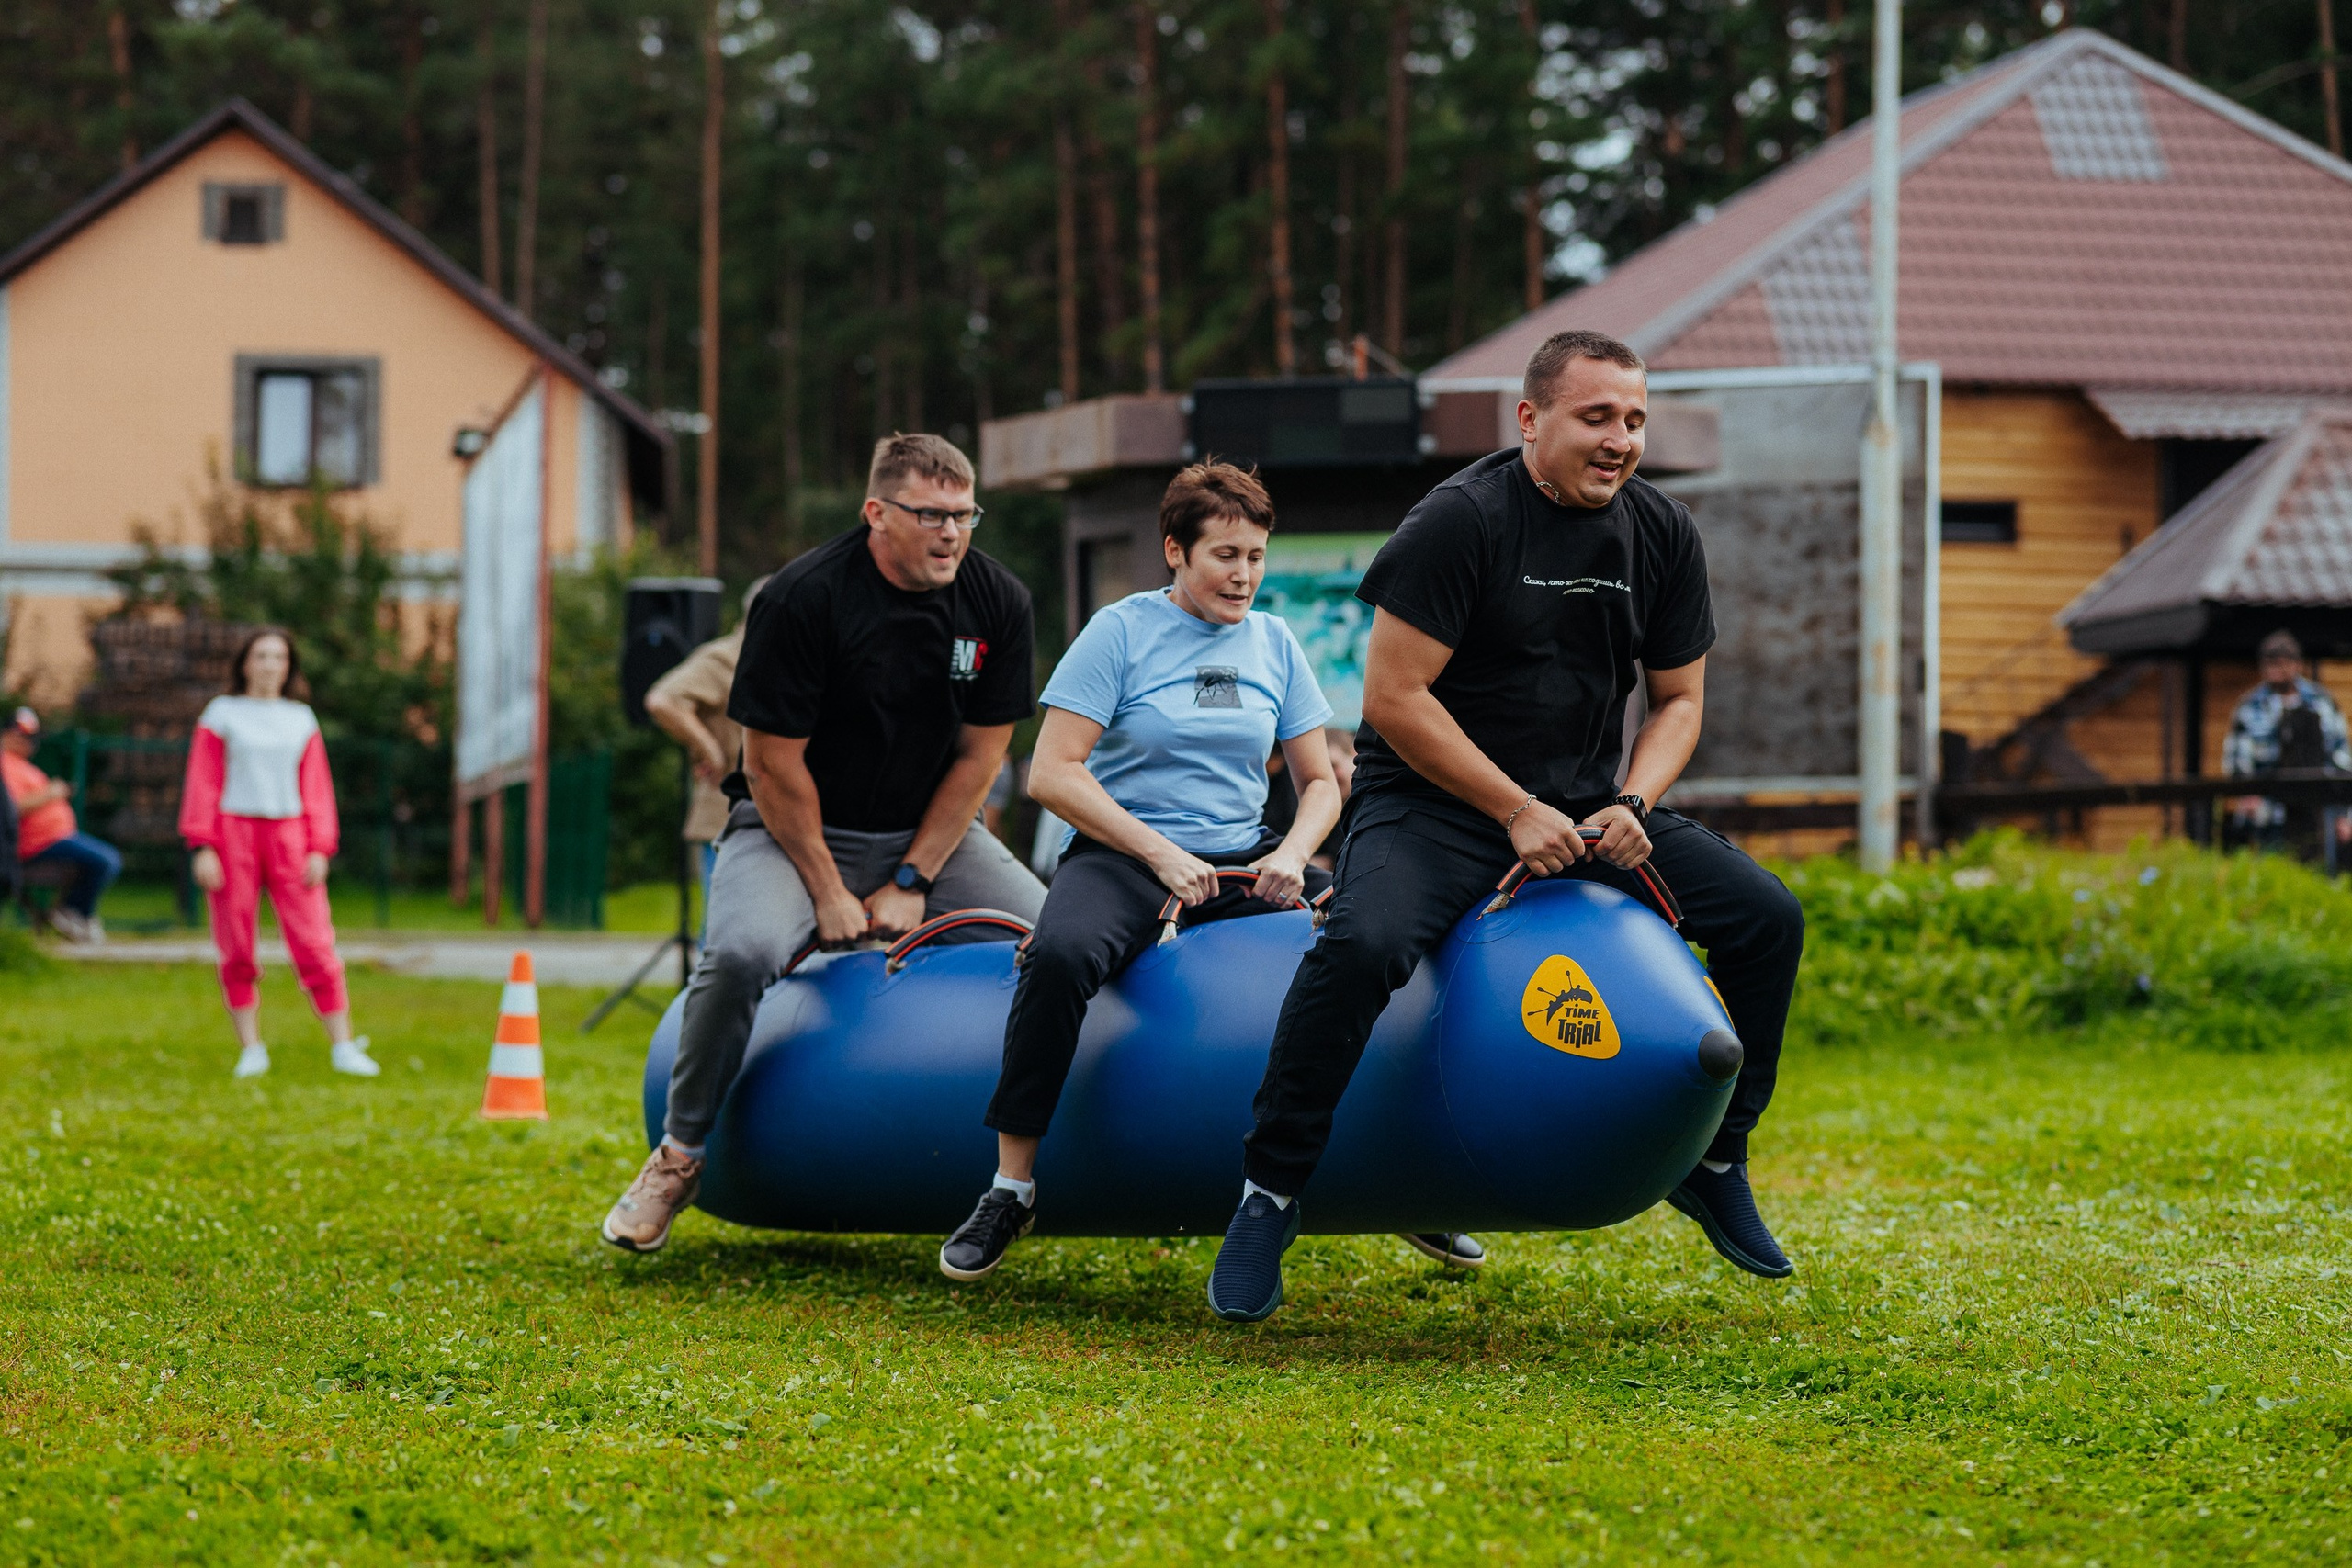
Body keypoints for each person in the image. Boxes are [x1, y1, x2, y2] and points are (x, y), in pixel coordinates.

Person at [1206, 329, 1808, 1324]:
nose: (1620, 439)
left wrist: (1632, 803)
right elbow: (1394, 700)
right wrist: (1511, 808)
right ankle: (1270, 1189)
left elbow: (1680, 703)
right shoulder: (1461, 520)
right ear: (1531, 420)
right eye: (1596, 417)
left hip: (1583, 807)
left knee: (1764, 918)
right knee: (1361, 945)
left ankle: (1715, 1158)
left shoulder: (1661, 533)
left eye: (1634, 418)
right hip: (1430, 805)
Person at [603, 434, 1048, 1253]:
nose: (951, 532)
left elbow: (984, 755)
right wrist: (830, 889)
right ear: (877, 512)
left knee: (1058, 940)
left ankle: (1029, 1166)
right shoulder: (802, 598)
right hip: (790, 832)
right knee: (737, 955)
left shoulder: (997, 601)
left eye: (964, 514)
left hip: (929, 836)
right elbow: (769, 768)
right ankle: (677, 1156)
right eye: (930, 515)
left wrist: (914, 875)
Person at [939, 461, 1354, 1281]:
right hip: (1127, 855)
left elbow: (1318, 782)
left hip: (1248, 861)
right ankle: (1011, 1186)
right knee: (1057, 957)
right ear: (1174, 550)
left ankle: (1382, 1179)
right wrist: (1160, 853)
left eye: (1257, 556)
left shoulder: (1275, 642)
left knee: (1357, 957)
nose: (1244, 575)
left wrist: (1292, 853)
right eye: (1224, 555)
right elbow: (1053, 772)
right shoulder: (1119, 632)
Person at [177, 628, 378, 1079]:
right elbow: (203, 780)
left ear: (289, 666)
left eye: (279, 657)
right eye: (261, 655)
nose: (270, 665)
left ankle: (343, 1046)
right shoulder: (222, 714)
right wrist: (203, 844)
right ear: (245, 663)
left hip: (290, 835)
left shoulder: (300, 719)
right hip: (233, 836)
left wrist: (319, 846)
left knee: (314, 944)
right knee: (236, 947)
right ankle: (251, 1048)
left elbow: (317, 788)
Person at [643, 576, 770, 907]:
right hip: (725, 812)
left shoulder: (777, 657)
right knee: (724, 930)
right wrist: (709, 749)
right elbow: (663, 700)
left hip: (770, 811)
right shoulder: (726, 657)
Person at [2223, 628, 2352, 863]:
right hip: (2269, 814)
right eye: (2270, 664)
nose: (2276, 670)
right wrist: (2248, 795)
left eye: (2282, 663)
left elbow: (2341, 756)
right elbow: (2237, 759)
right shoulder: (2251, 705)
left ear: (2296, 664)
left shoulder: (2320, 702)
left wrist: (2343, 812)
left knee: (2321, 873)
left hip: (2318, 812)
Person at [4, 707, 122, 942]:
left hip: (55, 838)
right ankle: (73, 912)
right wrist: (52, 793)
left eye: (31, 739)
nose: (30, 744)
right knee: (107, 860)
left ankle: (75, 913)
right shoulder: (4, 764)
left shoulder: (22, 765)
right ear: (7, 735)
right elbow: (12, 807)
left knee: (102, 861)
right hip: (37, 844)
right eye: (22, 737)